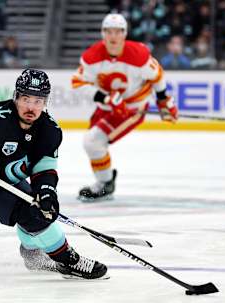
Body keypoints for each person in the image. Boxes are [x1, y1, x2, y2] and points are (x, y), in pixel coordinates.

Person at [0, 69, 108, 280]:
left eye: (38, 101)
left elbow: (45, 167)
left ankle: (32, 253)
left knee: (38, 208)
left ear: (46, 102)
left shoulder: (49, 131)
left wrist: (47, 191)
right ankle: (69, 261)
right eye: (25, 99)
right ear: (15, 97)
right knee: (29, 213)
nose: (31, 107)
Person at [71, 13, 178, 202]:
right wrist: (106, 99)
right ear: (102, 34)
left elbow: (157, 75)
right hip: (108, 108)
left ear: (125, 33)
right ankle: (105, 182)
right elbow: (78, 84)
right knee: (93, 144)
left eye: (118, 31)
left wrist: (163, 99)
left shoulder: (139, 55)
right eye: (109, 31)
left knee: (93, 142)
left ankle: (105, 185)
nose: (113, 36)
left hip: (131, 110)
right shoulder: (91, 57)